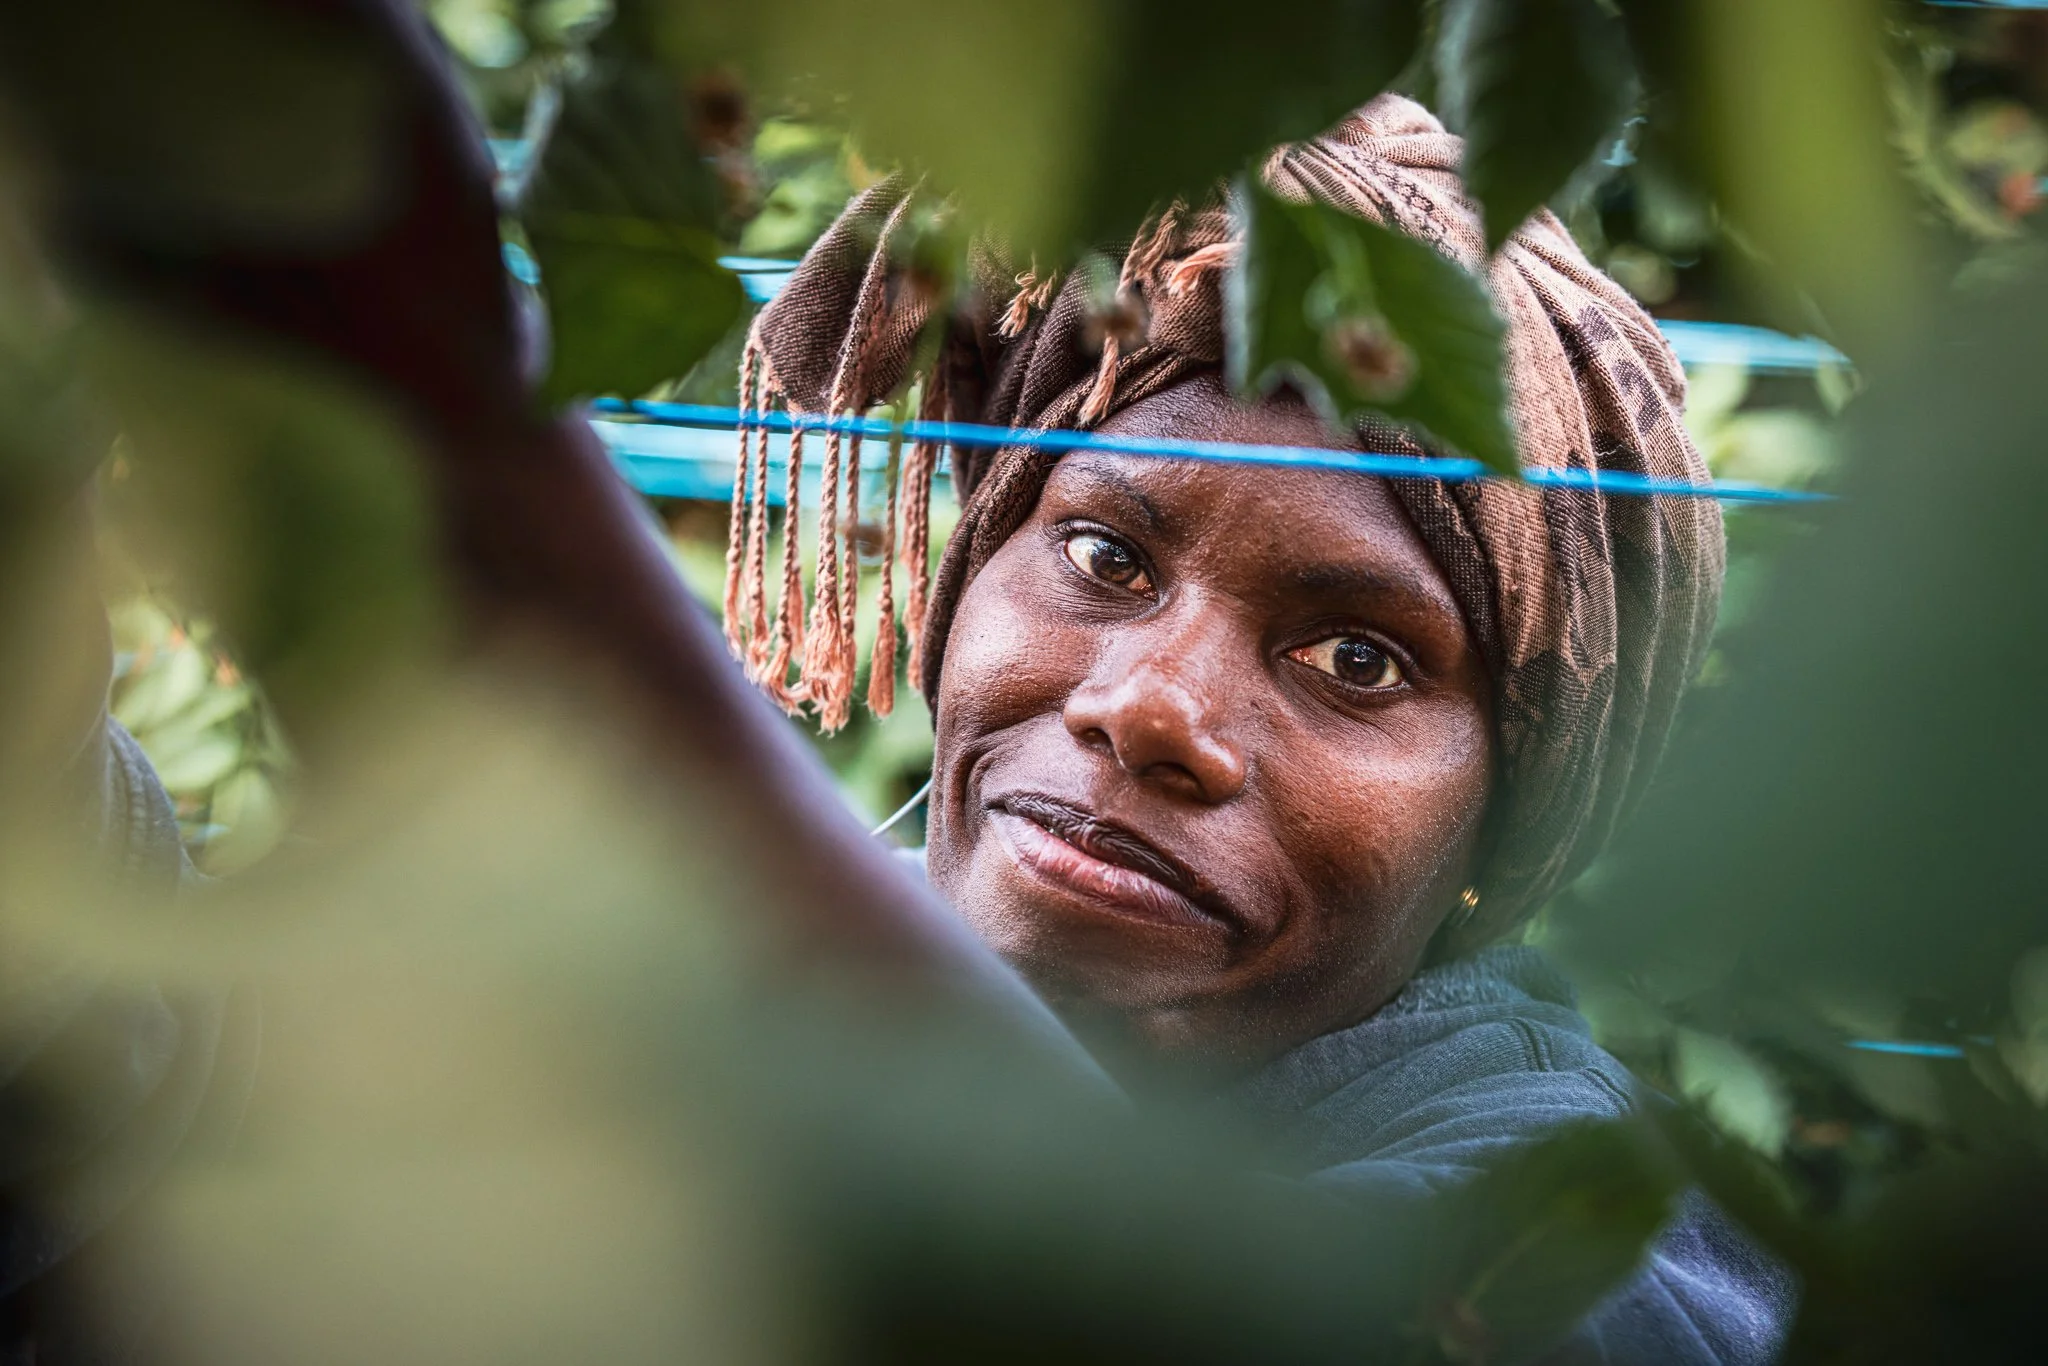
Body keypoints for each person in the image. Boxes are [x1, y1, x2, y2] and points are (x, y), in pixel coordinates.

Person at [720, 95, 1790, 1360]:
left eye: (1355, 658)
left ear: (1512, 822)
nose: (1148, 707)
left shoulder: (1590, 1241)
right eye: (1103, 554)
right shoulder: (724, 984)